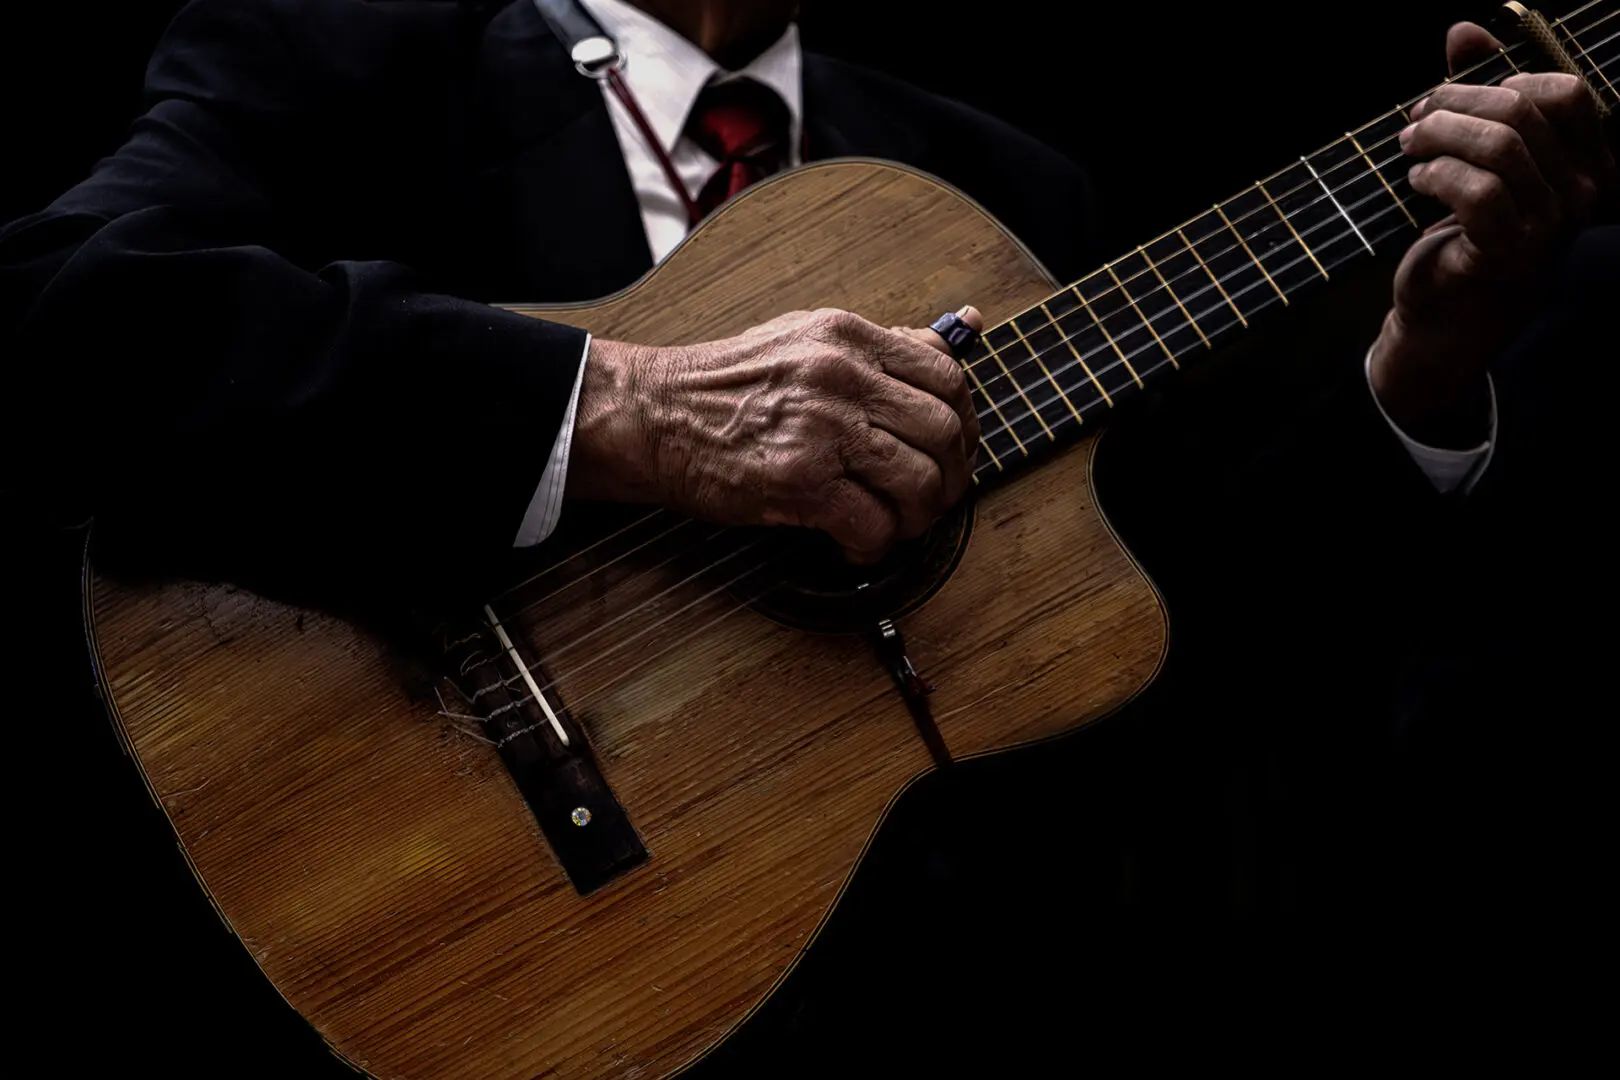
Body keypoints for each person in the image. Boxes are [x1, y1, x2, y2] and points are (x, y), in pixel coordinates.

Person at [1, 0, 1613, 1073]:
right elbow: (54, 323)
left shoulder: (998, 177)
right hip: (447, 947)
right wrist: (620, 404)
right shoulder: (352, 63)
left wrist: (1428, 364)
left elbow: (1186, 658)